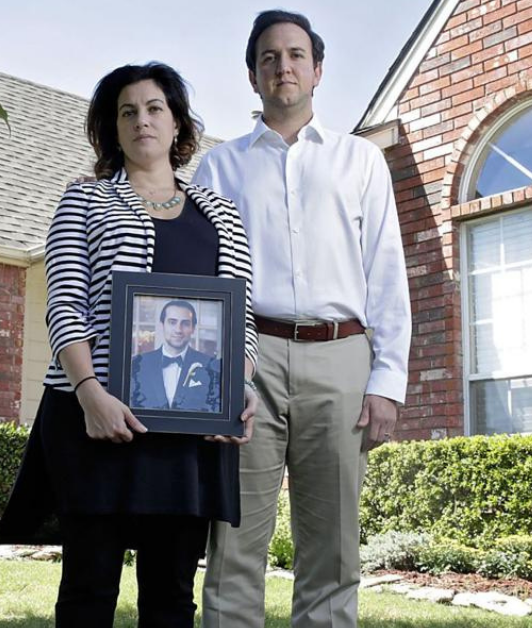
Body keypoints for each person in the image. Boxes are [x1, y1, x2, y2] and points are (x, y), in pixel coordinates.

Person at [0, 62, 260, 628]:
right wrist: (90, 393)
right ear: (112, 128)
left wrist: (237, 388)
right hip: (93, 422)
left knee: (170, 596)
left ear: (178, 122)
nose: (142, 120)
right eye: (127, 111)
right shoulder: (83, 201)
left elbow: (240, 320)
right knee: (88, 591)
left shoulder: (222, 215)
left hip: (185, 435)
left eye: (155, 107)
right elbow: (65, 303)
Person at [192, 10, 412, 628]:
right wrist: (215, 379)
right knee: (234, 543)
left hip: (341, 358)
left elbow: (386, 274)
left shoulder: (361, 162)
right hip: (247, 359)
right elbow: (208, 281)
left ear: (317, 69)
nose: (282, 66)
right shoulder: (220, 167)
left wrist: (386, 382)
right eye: (269, 57)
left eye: (294, 55)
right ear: (253, 75)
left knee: (333, 550)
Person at [130, 300, 221, 413]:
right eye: (172, 322)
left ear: (193, 328)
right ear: (162, 325)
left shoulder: (212, 366)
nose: (178, 330)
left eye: (185, 323)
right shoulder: (137, 364)